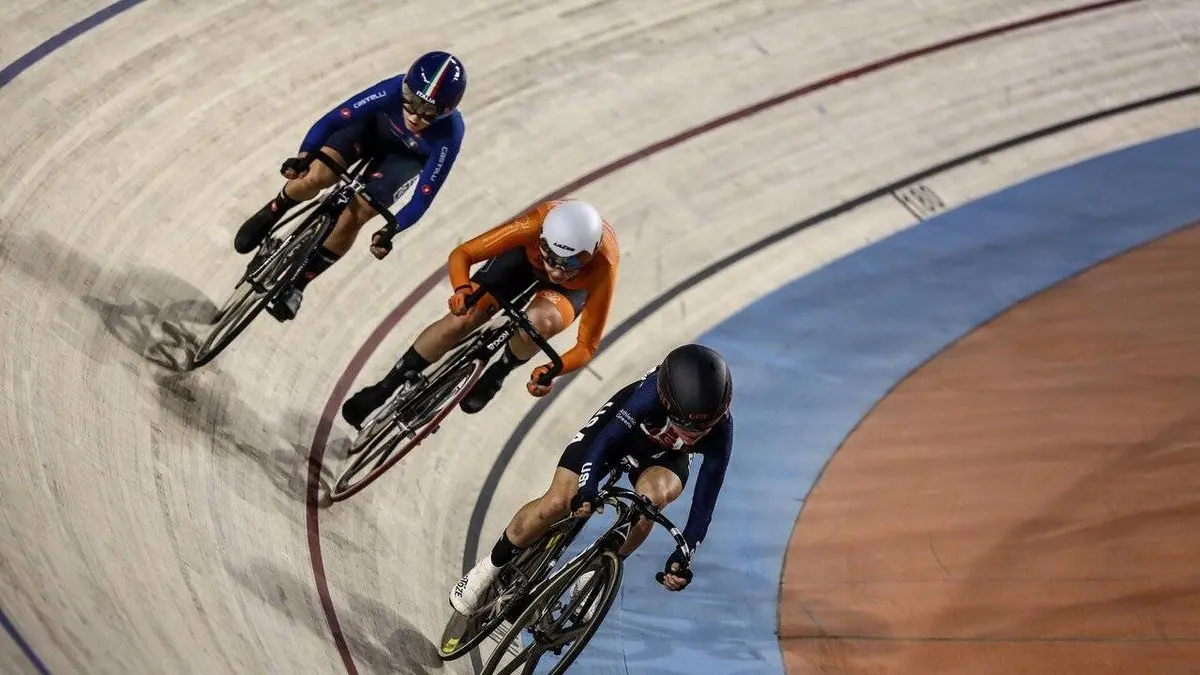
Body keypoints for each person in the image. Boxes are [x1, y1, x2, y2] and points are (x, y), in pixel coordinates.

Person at [449, 343, 735, 616]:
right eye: (689, 426)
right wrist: (587, 489)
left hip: (665, 456)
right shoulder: (648, 396)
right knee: (558, 501)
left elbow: (704, 503)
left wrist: (683, 555)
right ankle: (489, 568)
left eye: (705, 427)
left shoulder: (721, 430)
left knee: (651, 503)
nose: (697, 434)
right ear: (665, 400)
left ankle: (598, 571)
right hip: (618, 433)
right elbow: (606, 441)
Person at [339, 198, 619, 427]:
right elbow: (464, 253)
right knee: (462, 319)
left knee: (539, 322)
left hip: (570, 291)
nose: (556, 271)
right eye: (552, 259)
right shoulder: (534, 224)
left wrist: (550, 370)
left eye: (570, 264)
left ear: (591, 253)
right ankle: (386, 386)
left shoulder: (603, 266)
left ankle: (500, 370)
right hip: (523, 261)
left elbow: (587, 345)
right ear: (542, 239)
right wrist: (462, 289)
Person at [232, 50, 468, 321]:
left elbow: (422, 198)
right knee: (315, 176)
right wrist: (303, 158)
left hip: (404, 159)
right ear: (404, 87)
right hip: (370, 131)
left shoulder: (450, 134)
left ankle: (299, 285)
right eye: (411, 102)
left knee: (357, 214)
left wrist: (390, 230)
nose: (415, 116)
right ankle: (275, 209)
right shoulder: (391, 89)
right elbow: (333, 120)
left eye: (429, 113)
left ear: (447, 111)